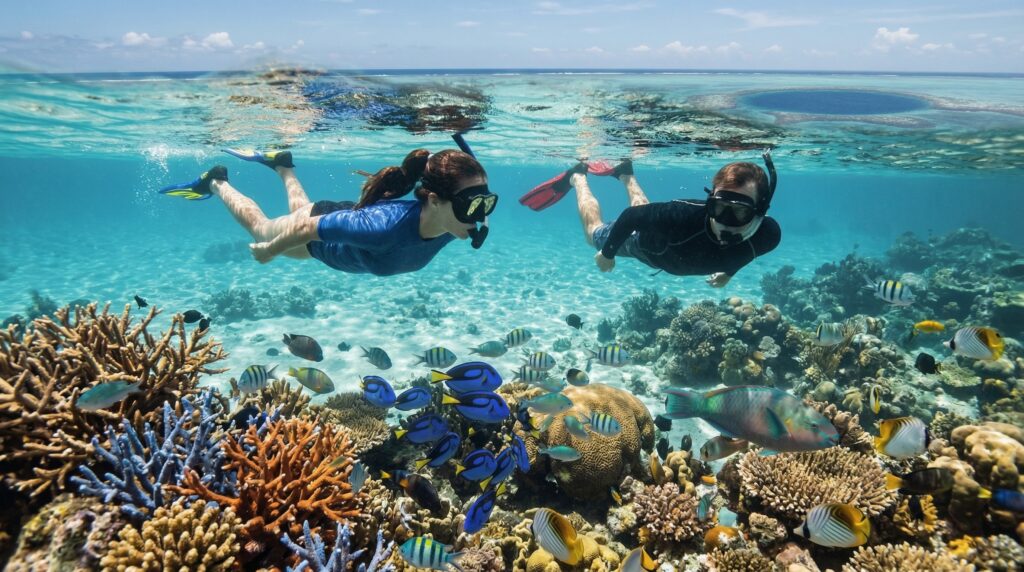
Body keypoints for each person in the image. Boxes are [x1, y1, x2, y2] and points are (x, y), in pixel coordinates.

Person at [158, 143, 497, 276]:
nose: (481, 216)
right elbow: (307, 229)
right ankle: (216, 181)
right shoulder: (382, 228)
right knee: (262, 228)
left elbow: (468, 199)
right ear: (435, 200)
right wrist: (270, 251)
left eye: (487, 202)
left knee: (305, 210)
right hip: (314, 237)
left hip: (339, 220)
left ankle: (282, 165)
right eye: (472, 205)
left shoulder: (454, 223)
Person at [519, 152, 780, 287]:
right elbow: (633, 217)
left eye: (739, 212)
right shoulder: (682, 216)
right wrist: (607, 253)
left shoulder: (768, 235)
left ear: (759, 210)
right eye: (718, 207)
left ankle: (625, 174)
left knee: (647, 215)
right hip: (643, 246)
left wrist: (729, 274)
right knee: (594, 235)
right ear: (709, 200)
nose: (724, 220)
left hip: (661, 242)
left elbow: (747, 253)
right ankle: (578, 177)